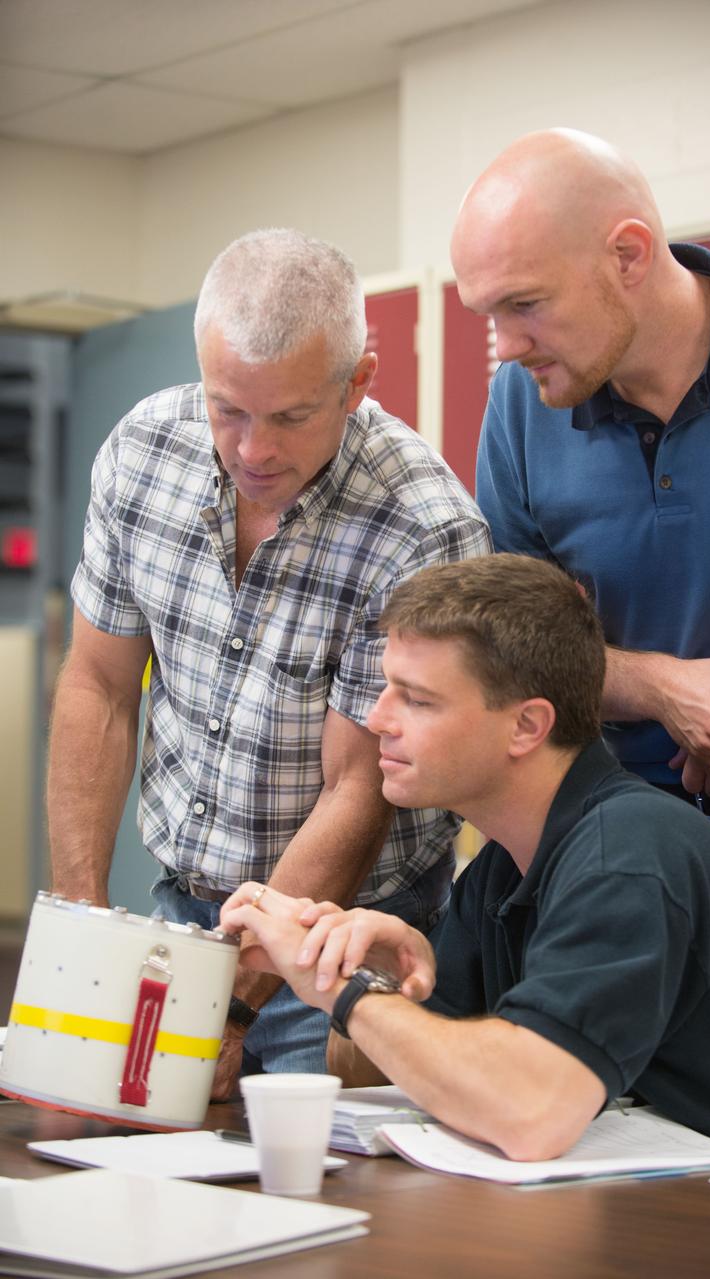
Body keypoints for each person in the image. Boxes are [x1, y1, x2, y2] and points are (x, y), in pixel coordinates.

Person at [448, 128, 710, 1102]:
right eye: (486, 314)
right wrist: (668, 693)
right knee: (646, 1134)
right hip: (628, 841)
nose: (503, 346)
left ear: (627, 255)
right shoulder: (520, 408)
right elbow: (516, 649)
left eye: (524, 305)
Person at [47, 227, 491, 1091]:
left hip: (343, 933)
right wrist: (83, 919)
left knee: (316, 1165)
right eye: (228, 410)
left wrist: (232, 1007)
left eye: (289, 416)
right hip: (184, 904)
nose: (253, 449)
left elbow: (356, 785)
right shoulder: (144, 452)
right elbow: (98, 685)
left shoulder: (419, 526)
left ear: (356, 382)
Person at [220, 555, 710, 1161]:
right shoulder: (502, 868)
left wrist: (338, 992)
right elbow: (371, 1075)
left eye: (417, 699)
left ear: (527, 726)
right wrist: (373, 980)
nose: (378, 717)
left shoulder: (628, 853)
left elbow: (530, 1112)